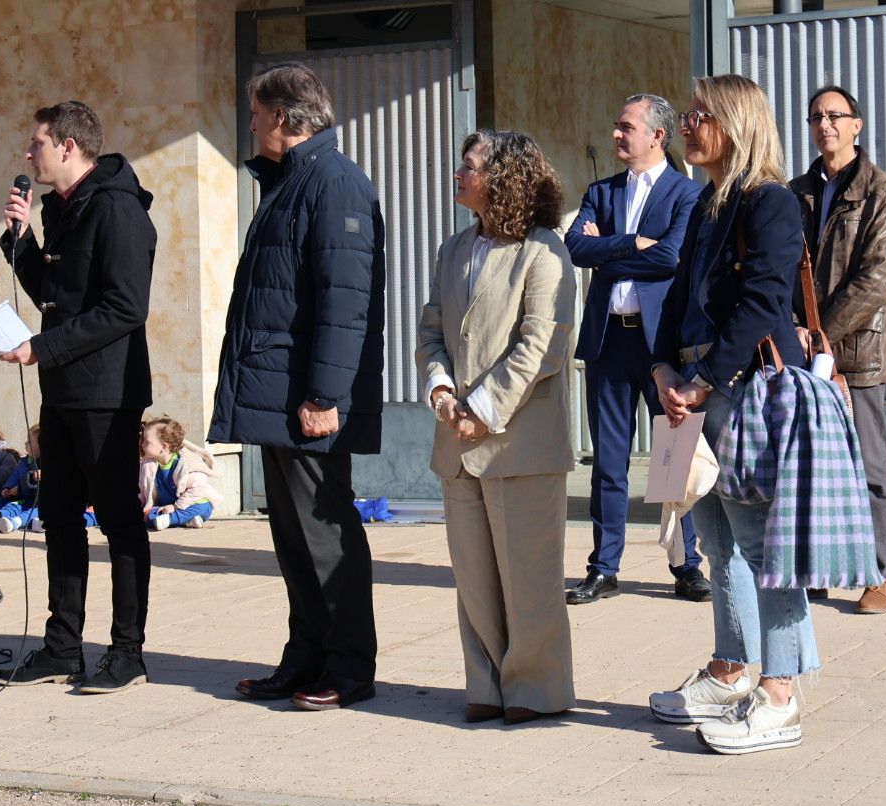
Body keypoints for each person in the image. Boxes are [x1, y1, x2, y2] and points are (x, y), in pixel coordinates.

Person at [647, 74, 817, 755]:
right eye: (686, 116)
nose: (686, 126)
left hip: (742, 390)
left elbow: (763, 301)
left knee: (763, 545)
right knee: (716, 544)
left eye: (700, 116)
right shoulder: (706, 204)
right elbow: (678, 294)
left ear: (736, 125)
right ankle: (730, 670)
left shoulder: (770, 201)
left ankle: (779, 694)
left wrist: (706, 380)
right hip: (696, 389)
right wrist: (663, 369)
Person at [210, 61, 385, 713]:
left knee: (324, 532)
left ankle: (348, 667)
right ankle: (305, 657)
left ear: (282, 117)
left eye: (256, 114)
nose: (250, 125)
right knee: (293, 539)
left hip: (306, 400)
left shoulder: (333, 183)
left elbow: (345, 302)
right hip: (277, 393)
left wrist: (324, 396)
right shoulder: (293, 180)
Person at [0, 99, 158, 696]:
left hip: (107, 395)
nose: (28, 154)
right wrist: (21, 242)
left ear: (68, 146)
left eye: (36, 143)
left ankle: (127, 651)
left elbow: (123, 309)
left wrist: (43, 349)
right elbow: (53, 296)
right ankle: (62, 647)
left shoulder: (116, 210)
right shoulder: (63, 209)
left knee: (118, 520)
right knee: (59, 515)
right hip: (62, 391)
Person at [417, 129, 577, 725]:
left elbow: (543, 347)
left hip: (520, 442)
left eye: (470, 165)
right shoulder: (453, 248)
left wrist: (482, 409)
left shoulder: (545, 252)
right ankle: (484, 685)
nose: (458, 173)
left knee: (529, 579)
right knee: (474, 579)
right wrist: (440, 391)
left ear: (505, 178)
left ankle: (534, 689)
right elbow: (432, 330)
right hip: (455, 440)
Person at [564, 94, 708, 605]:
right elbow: (575, 249)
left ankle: (687, 564)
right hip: (609, 340)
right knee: (608, 460)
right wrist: (630, 245)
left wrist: (611, 249)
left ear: (657, 136)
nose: (617, 135)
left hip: (661, 347)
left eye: (626, 127)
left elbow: (671, 258)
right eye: (617, 126)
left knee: (675, 456)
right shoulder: (601, 190)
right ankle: (604, 567)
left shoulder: (686, 194)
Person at [790, 85, 886, 615]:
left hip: (857, 351)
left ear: (857, 125)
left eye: (835, 116)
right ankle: (813, 571)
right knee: (809, 466)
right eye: (816, 116)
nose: (825, 124)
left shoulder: (883, 191)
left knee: (870, 469)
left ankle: (881, 576)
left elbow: (877, 279)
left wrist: (820, 334)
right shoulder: (795, 192)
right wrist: (791, 327)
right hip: (797, 349)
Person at [139, 416, 219, 531]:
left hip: (188, 504)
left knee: (204, 507)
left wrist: (175, 506)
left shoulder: (186, 464)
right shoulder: (148, 465)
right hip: (165, 507)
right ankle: (187, 521)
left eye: (147, 442)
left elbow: (198, 488)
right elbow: (142, 490)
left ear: (164, 447)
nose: (142, 445)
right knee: (148, 515)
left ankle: (170, 520)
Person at [0, 424, 43, 535]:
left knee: (36, 511)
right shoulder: (24, 462)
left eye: (29, 442)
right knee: (13, 506)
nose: (25, 443)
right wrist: (8, 488)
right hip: (25, 500)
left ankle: (14, 523)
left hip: (41, 505)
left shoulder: (49, 464)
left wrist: (23, 487)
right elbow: (14, 477)